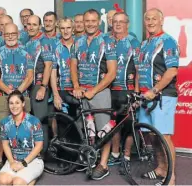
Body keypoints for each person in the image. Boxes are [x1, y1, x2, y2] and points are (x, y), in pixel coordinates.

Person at [70, 9, 117, 180]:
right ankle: (90, 159)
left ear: (99, 22)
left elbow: (112, 73)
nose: (89, 24)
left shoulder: (107, 42)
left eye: (93, 21)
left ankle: (103, 164)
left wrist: (94, 91)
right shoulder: (78, 41)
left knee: (104, 130)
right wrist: (76, 85)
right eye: (86, 21)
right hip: (81, 92)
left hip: (100, 92)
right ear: (83, 22)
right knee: (86, 129)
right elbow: (73, 66)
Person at [138, 8, 178, 185]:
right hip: (145, 98)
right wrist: (139, 93)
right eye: (148, 19)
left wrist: (154, 90)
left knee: (164, 136)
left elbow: (172, 71)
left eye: (154, 19)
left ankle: (171, 177)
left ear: (161, 21)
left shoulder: (168, 41)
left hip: (162, 96)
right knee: (152, 136)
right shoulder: (145, 43)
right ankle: (161, 168)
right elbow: (140, 70)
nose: (150, 22)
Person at [0, 23, 33, 173]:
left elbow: (30, 76)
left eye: (13, 34)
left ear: (18, 34)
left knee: (24, 129)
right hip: (3, 97)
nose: (10, 37)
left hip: (22, 96)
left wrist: (18, 92)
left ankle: (24, 159)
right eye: (7, 34)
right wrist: (9, 92)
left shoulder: (26, 52)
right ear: (3, 35)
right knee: (2, 131)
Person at [105, 12, 140, 168]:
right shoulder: (107, 41)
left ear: (128, 24)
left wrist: (137, 91)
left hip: (129, 89)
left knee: (130, 124)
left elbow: (140, 68)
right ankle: (114, 154)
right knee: (114, 124)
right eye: (115, 22)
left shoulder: (134, 42)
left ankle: (126, 155)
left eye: (121, 22)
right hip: (111, 90)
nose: (118, 24)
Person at [0, 90, 44, 185]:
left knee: (17, 183)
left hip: (32, 160)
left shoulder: (34, 121)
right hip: (14, 159)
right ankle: (25, 179)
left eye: (17, 103)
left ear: (23, 104)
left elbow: (39, 146)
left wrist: (24, 163)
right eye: (11, 103)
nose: (14, 106)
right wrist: (11, 162)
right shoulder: (4, 122)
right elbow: (5, 145)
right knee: (2, 181)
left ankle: (30, 179)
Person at [24, 15, 52, 154]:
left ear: (40, 26)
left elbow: (49, 65)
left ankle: (43, 154)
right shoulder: (28, 42)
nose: (31, 27)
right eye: (29, 24)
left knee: (41, 122)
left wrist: (43, 87)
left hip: (38, 86)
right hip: (28, 86)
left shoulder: (44, 41)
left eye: (34, 24)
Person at [49, 17, 79, 137]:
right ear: (59, 30)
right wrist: (55, 95)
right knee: (63, 127)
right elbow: (52, 72)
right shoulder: (55, 46)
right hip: (62, 91)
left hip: (77, 91)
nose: (65, 31)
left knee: (78, 128)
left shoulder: (79, 44)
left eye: (68, 28)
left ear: (73, 29)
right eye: (62, 28)